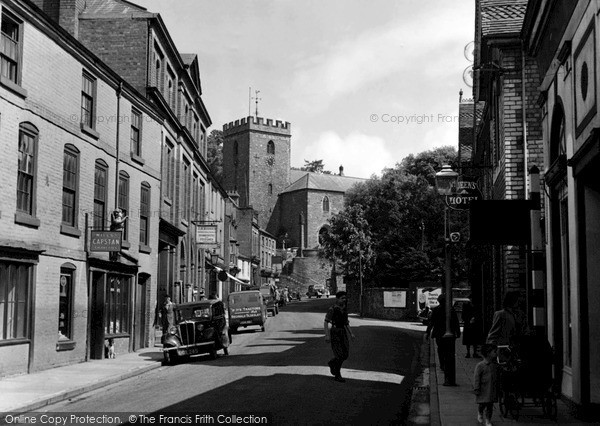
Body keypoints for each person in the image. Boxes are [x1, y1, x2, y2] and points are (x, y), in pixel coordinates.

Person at [425, 293, 461, 376]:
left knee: (440, 349)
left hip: (439, 334)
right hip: (450, 333)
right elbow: (456, 322)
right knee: (448, 350)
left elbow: (431, 322)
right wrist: (458, 332)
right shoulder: (451, 310)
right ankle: (446, 364)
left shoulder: (436, 310)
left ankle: (442, 364)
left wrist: (427, 332)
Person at [324, 291, 356, 382]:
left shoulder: (344, 309)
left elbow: (346, 322)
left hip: (343, 332)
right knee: (339, 355)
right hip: (335, 332)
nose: (344, 300)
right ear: (337, 299)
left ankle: (332, 362)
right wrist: (327, 335)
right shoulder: (332, 309)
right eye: (342, 298)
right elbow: (326, 322)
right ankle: (337, 375)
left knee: (345, 354)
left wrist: (351, 333)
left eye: (345, 298)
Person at [473, 343, 499, 426]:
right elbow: (477, 377)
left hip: (492, 388)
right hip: (483, 388)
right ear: (488, 353)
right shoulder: (480, 365)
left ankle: (488, 420)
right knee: (482, 403)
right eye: (494, 352)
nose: (496, 353)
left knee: (490, 405)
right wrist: (476, 388)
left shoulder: (495, 365)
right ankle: (480, 412)